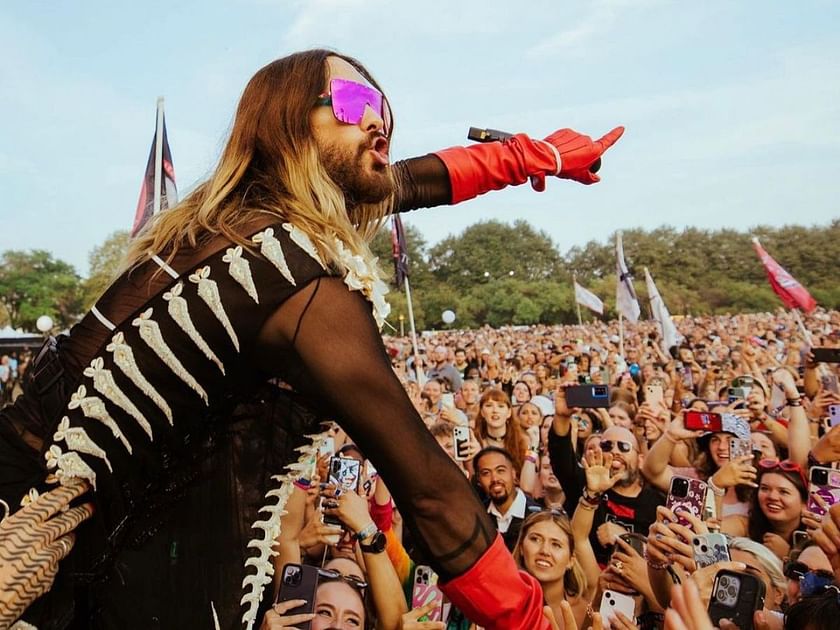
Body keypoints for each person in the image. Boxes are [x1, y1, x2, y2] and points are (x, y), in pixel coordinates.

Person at [0, 49, 622, 629]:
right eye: (353, 105)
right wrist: (531, 620)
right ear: (286, 126)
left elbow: (396, 180)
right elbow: (432, 496)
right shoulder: (294, 285)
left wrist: (519, 159)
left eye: (386, 115)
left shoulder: (239, 229)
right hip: (68, 577)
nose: (377, 125)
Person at [474, 446, 542, 551]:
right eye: (486, 473)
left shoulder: (538, 516)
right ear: (479, 480)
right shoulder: (479, 516)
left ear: (513, 473)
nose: (495, 479)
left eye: (500, 471)